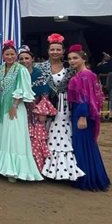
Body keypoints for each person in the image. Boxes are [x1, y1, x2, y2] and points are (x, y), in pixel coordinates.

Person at [0, 41, 43, 182]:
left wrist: (14, 105)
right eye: (7, 54)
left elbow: (23, 89)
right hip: (1, 108)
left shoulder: (21, 70)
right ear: (3, 56)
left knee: (14, 137)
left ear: (16, 56)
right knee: (2, 136)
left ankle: (14, 170)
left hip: (14, 108)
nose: (10, 56)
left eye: (12, 54)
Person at [38, 33, 83, 181]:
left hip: (64, 106)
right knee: (43, 132)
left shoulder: (70, 68)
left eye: (58, 49)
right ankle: (44, 167)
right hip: (44, 105)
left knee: (60, 132)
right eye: (52, 49)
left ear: (63, 51)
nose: (55, 52)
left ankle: (62, 170)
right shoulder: (41, 67)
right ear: (48, 51)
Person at [66, 44, 110, 191]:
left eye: (75, 58)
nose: (72, 61)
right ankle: (90, 177)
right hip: (79, 112)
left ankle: (88, 179)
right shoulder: (79, 74)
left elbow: (85, 97)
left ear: (83, 58)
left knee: (84, 146)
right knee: (84, 145)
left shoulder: (85, 75)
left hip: (82, 113)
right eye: (70, 59)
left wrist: (83, 116)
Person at [18, 46, 51, 173]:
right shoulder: (16, 73)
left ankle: (36, 169)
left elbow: (44, 94)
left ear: (32, 60)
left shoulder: (38, 73)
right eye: (21, 59)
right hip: (20, 110)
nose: (24, 61)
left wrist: (42, 111)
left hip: (35, 111)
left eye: (27, 58)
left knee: (36, 140)